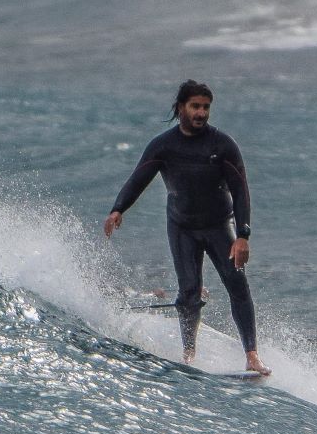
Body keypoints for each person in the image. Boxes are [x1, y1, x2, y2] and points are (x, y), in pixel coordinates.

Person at [104, 80, 269, 376]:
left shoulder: (222, 145)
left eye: (206, 107)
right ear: (180, 107)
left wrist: (243, 235)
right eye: (195, 106)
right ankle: (189, 352)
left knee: (236, 282)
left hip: (220, 225)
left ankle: (252, 355)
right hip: (182, 228)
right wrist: (119, 208)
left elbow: (241, 190)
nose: (201, 113)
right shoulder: (164, 146)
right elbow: (138, 178)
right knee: (189, 291)